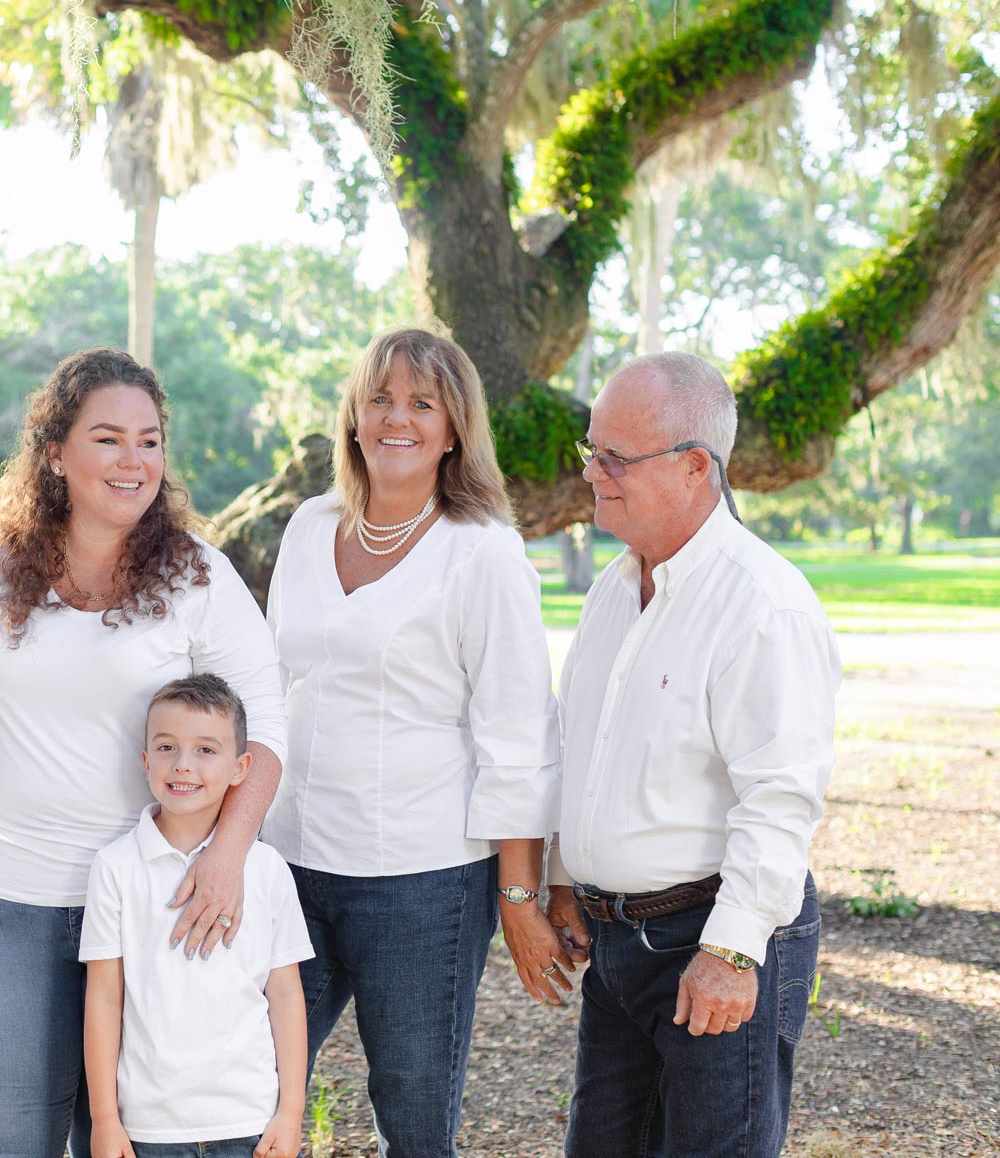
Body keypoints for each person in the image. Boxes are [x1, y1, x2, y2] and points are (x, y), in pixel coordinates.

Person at [0, 347, 287, 1158]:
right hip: (3, 902)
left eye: (150, 440)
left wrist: (227, 853)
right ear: (55, 453)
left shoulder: (199, 575)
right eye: (108, 439)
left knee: (132, 1142)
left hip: (156, 903)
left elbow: (265, 731)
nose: (134, 460)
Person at [263, 327, 563, 1158]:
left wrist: (518, 898)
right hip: (289, 863)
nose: (398, 418)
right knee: (246, 1080)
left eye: (422, 404)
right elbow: (269, 691)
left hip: (423, 883)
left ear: (454, 428)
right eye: (380, 399)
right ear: (353, 418)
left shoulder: (483, 554)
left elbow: (518, 739)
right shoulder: (308, 527)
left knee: (413, 1113)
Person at [545, 351, 838, 1157]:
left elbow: (780, 799)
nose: (592, 474)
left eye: (615, 458)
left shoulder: (762, 604)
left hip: (715, 936)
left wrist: (733, 952)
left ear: (695, 467)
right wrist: (568, 880)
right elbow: (584, 746)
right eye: (589, 451)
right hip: (617, 946)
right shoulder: (615, 585)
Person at [82, 674, 311, 1158]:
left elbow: (286, 993)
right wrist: (105, 1120)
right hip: (151, 1126)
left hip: (249, 1120)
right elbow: (104, 997)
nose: (183, 765)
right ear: (145, 760)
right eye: (166, 747)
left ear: (240, 767)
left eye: (206, 750)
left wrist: (290, 1114)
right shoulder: (115, 868)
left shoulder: (266, 869)